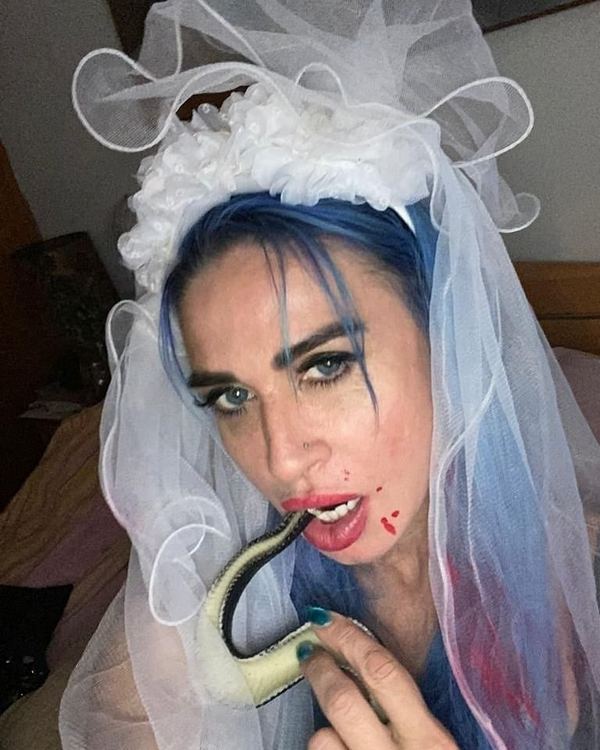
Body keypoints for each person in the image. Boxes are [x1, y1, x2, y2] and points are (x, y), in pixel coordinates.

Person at [61, 1, 600, 748]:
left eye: (326, 365)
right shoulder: (192, 640)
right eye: (230, 395)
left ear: (447, 337)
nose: (280, 459)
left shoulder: (582, 583)